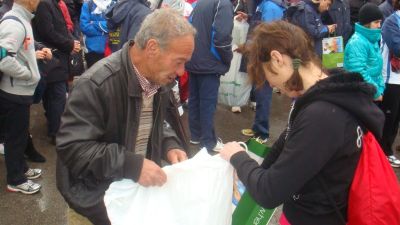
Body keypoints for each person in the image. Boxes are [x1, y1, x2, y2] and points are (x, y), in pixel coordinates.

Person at [220, 21, 384, 225]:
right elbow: (289, 137)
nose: (271, 84)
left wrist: (238, 157)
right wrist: (252, 170)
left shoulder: (322, 116)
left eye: (266, 73)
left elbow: (269, 193)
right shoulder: (327, 94)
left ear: (277, 58)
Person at [56, 8, 194, 225]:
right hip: (97, 205)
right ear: (152, 48)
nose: (181, 71)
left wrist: (169, 143)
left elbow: (152, 121)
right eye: (178, 61)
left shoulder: (158, 79)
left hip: (134, 197)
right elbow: (73, 147)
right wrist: (132, 165)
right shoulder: (96, 84)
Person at [0, 0, 47, 194]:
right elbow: (3, 58)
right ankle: (15, 180)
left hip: (19, 91)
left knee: (19, 135)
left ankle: (22, 169)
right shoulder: (14, 23)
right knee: (15, 138)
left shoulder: (23, 19)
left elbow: (19, 52)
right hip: (14, 92)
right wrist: (28, 74)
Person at [185, 0, 234, 152]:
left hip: (194, 60)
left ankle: (195, 135)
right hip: (209, 63)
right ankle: (209, 142)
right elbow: (221, 38)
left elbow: (189, 28)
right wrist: (227, 59)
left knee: (194, 100)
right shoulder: (223, 4)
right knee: (207, 104)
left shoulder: (199, 3)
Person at [32, 0, 81, 144]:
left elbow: (62, 28)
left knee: (56, 96)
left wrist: (71, 41)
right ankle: (57, 134)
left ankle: (55, 128)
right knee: (57, 97)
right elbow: (48, 32)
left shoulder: (54, 3)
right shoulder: (44, 4)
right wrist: (69, 43)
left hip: (58, 58)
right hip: (52, 59)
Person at [344, 3, 384, 101]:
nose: (379, 25)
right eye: (376, 22)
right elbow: (358, 72)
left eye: (380, 22)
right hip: (361, 95)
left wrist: (380, 86)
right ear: (367, 23)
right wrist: (375, 92)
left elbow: (376, 66)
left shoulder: (371, 38)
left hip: (369, 93)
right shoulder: (357, 42)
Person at [379, 0, 400, 167]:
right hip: (391, 79)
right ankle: (384, 152)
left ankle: (387, 150)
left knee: (396, 118)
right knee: (389, 117)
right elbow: (397, 47)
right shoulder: (391, 21)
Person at [80, 0, 110, 68]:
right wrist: (104, 31)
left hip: (111, 49)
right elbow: (84, 27)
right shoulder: (88, 4)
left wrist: (94, 23)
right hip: (93, 50)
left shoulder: (115, 4)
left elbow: (113, 25)